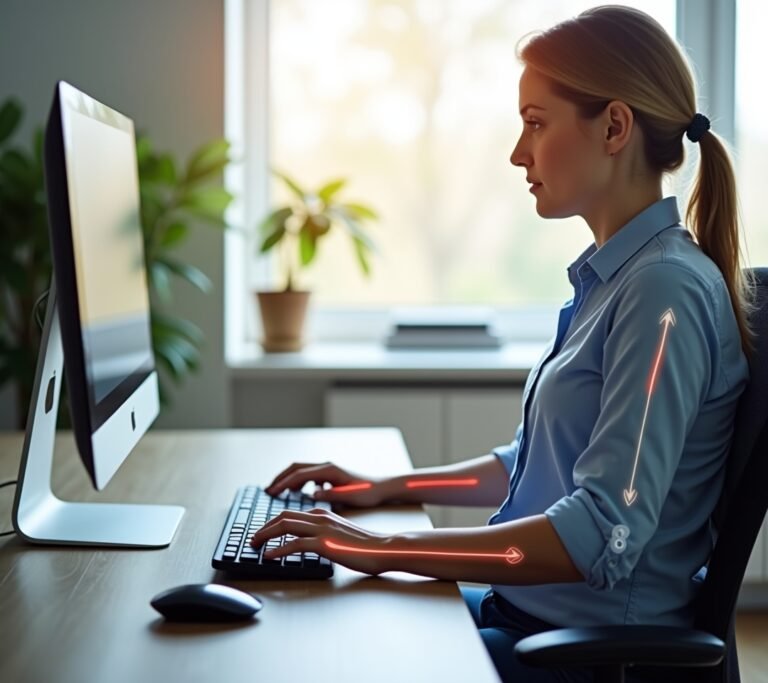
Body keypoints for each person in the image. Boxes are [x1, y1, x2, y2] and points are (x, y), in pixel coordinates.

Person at [249, 6, 755, 681]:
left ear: (613, 127)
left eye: (536, 123)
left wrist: (384, 547)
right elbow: (533, 464)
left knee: (342, 649)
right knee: (325, 618)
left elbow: (599, 533)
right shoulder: (616, 280)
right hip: (529, 618)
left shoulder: (662, 295)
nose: (519, 152)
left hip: (589, 655)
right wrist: (384, 486)